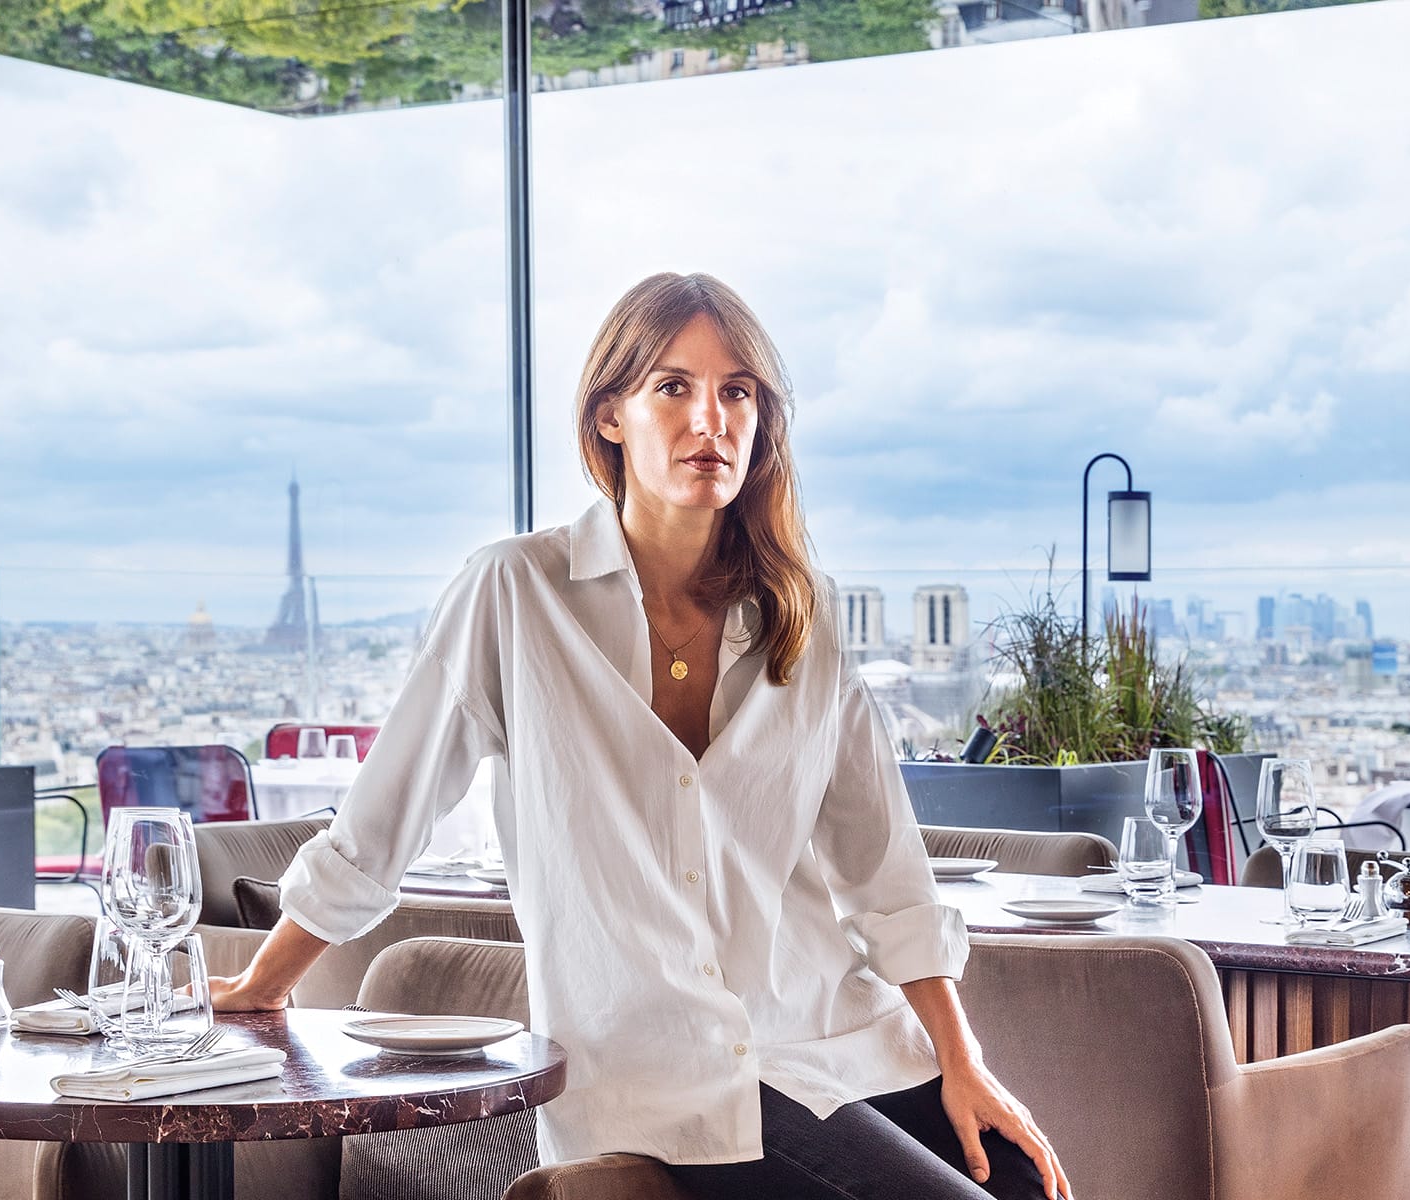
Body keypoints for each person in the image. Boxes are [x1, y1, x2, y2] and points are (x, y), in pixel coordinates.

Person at [211, 272, 1072, 1200]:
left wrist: (962, 1057)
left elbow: (885, 873)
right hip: (661, 1077)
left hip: (835, 1039)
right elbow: (382, 823)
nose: (712, 419)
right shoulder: (514, 594)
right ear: (611, 415)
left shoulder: (799, 618)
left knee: (1027, 1184)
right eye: (674, 387)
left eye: (737, 391)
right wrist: (264, 980)